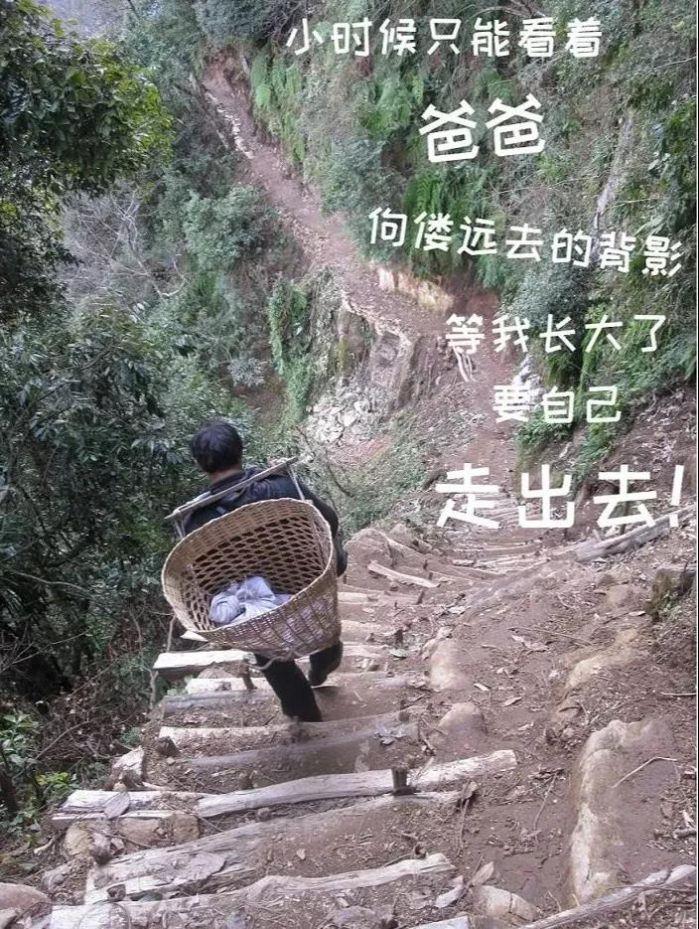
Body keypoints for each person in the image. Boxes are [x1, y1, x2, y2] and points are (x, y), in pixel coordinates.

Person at [183, 420, 346, 723]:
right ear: (240, 450)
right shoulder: (281, 486)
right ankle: (324, 657)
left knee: (262, 640)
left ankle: (303, 711)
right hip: (307, 582)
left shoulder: (196, 519)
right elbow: (329, 520)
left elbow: (204, 579)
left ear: (200, 465)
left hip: (255, 610)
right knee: (332, 573)